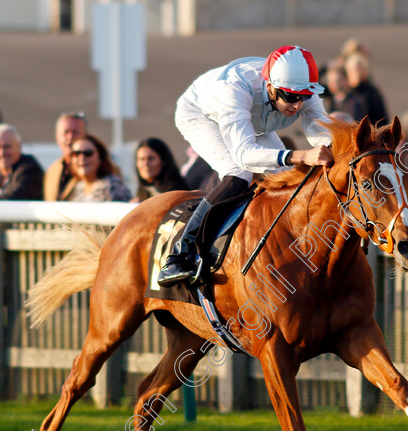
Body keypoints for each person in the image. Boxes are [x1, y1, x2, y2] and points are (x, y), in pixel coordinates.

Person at [158, 45, 334, 287]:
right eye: (291, 97)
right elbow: (244, 155)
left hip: (252, 119)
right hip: (201, 114)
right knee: (239, 173)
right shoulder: (235, 89)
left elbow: (321, 131)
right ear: (270, 86)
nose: (297, 105)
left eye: (303, 97)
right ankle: (179, 255)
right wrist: (301, 155)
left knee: (286, 177)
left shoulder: (298, 87)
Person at [60, 134, 131, 202]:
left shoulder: (112, 186)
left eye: (88, 153)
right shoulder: (77, 188)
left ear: (100, 157)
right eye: (76, 154)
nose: (82, 158)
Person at [43, 111, 87, 201]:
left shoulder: (98, 168)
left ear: (85, 136)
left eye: (75, 132)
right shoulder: (52, 171)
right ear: (57, 137)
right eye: (66, 132)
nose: (70, 137)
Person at [133, 137, 188, 202]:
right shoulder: (143, 190)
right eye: (142, 159)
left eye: (150, 159)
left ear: (164, 161)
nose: (146, 164)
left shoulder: (178, 192)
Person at [345, 53, 388, 127]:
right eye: (355, 69)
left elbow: (382, 119)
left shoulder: (372, 93)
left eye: (361, 69)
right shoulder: (344, 92)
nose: (358, 72)